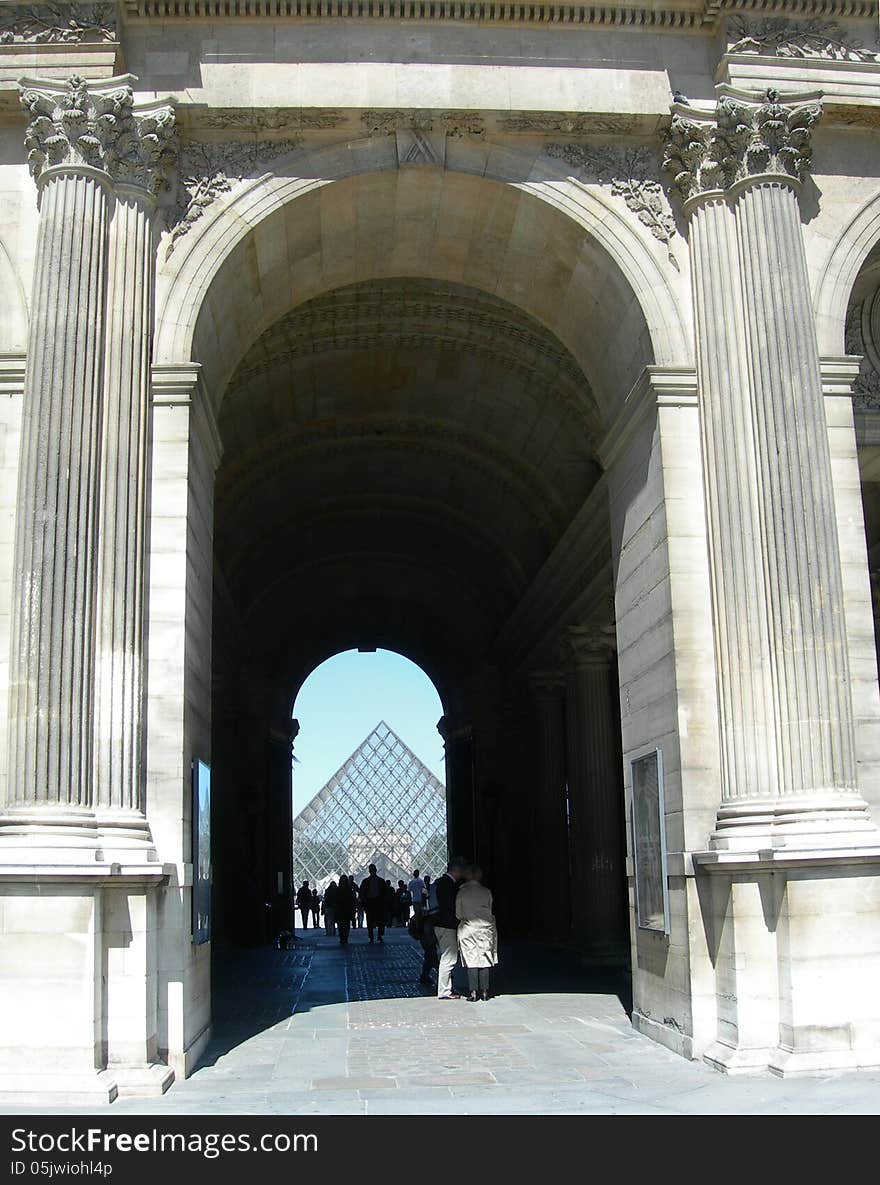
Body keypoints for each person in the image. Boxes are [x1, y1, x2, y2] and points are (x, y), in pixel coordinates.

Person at [455, 865, 498, 1002]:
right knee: (485, 959)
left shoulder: (462, 892)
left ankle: (473, 992)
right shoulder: (486, 892)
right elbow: (490, 909)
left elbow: (458, 914)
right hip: (485, 929)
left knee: (471, 960)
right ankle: (485, 992)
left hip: (468, 928)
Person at [431, 857, 466, 999]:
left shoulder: (441, 882)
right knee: (449, 958)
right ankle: (444, 991)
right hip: (447, 925)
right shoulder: (448, 884)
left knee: (446, 957)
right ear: (456, 870)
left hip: (439, 924)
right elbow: (450, 905)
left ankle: (446, 988)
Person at [359, 863, 386, 942]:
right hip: (370, 902)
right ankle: (373, 936)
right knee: (371, 920)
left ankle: (377, 935)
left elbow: (362, 892)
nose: (372, 871)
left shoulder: (367, 881)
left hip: (376, 902)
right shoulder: (380, 881)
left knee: (379, 920)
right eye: (371, 870)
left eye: (372, 870)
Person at [336, 875, 355, 946]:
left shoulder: (338, 889)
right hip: (346, 909)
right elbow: (352, 900)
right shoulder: (349, 890)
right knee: (345, 925)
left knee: (341, 925)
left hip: (341, 909)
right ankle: (345, 937)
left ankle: (342, 937)